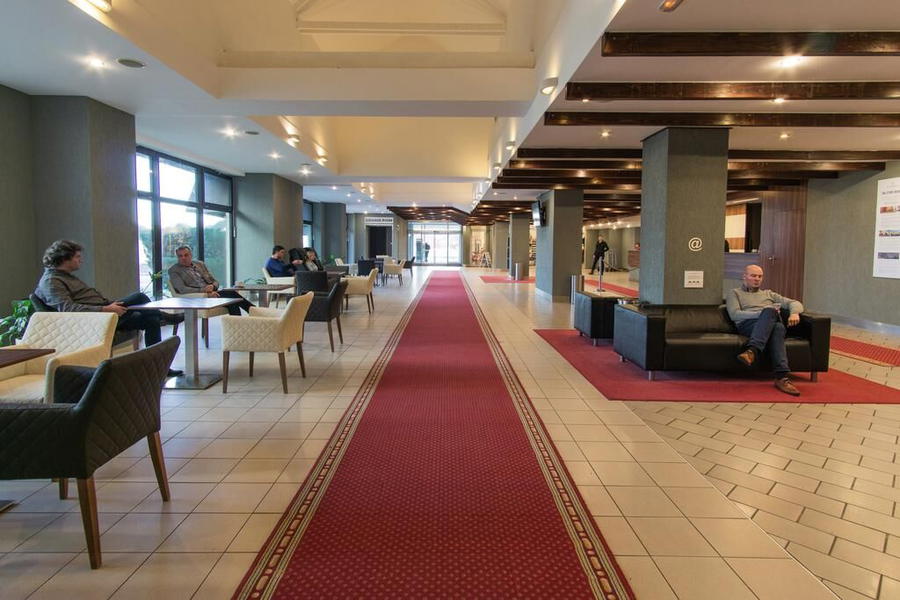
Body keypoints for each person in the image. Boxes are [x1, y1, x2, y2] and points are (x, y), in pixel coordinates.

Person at [34, 239, 182, 376]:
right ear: (64, 258)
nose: (81, 260)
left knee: (151, 320)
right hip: (95, 321)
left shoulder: (65, 276)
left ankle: (159, 368)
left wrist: (109, 306)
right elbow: (68, 309)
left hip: (104, 313)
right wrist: (105, 309)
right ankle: (166, 317)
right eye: (77, 257)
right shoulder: (51, 281)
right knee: (139, 298)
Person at [726, 264, 803, 396]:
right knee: (774, 320)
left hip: (768, 325)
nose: (757, 279)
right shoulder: (734, 293)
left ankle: (752, 351)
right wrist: (762, 314)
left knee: (776, 324)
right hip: (748, 325)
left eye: (760, 276)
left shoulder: (769, 294)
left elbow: (794, 303)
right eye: (753, 276)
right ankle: (781, 377)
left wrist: (794, 313)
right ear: (744, 276)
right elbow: (734, 314)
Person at [168, 246, 253, 316]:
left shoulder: (199, 264)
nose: (183, 258)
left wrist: (213, 286)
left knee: (232, 302)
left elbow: (215, 281)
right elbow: (182, 289)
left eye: (186, 255)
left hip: (212, 292)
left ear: (191, 255)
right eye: (180, 256)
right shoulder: (174, 270)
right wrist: (205, 292)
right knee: (231, 295)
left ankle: (237, 328)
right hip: (197, 298)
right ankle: (254, 311)